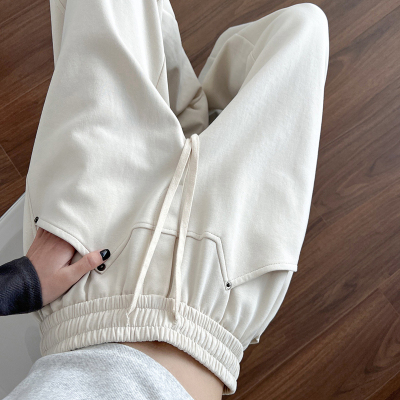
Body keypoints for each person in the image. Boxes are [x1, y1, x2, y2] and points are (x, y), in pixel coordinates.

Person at [1, 0, 329, 398]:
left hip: (89, 272)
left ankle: (189, 122)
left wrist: (14, 285)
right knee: (305, 28)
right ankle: (199, 122)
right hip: (215, 299)